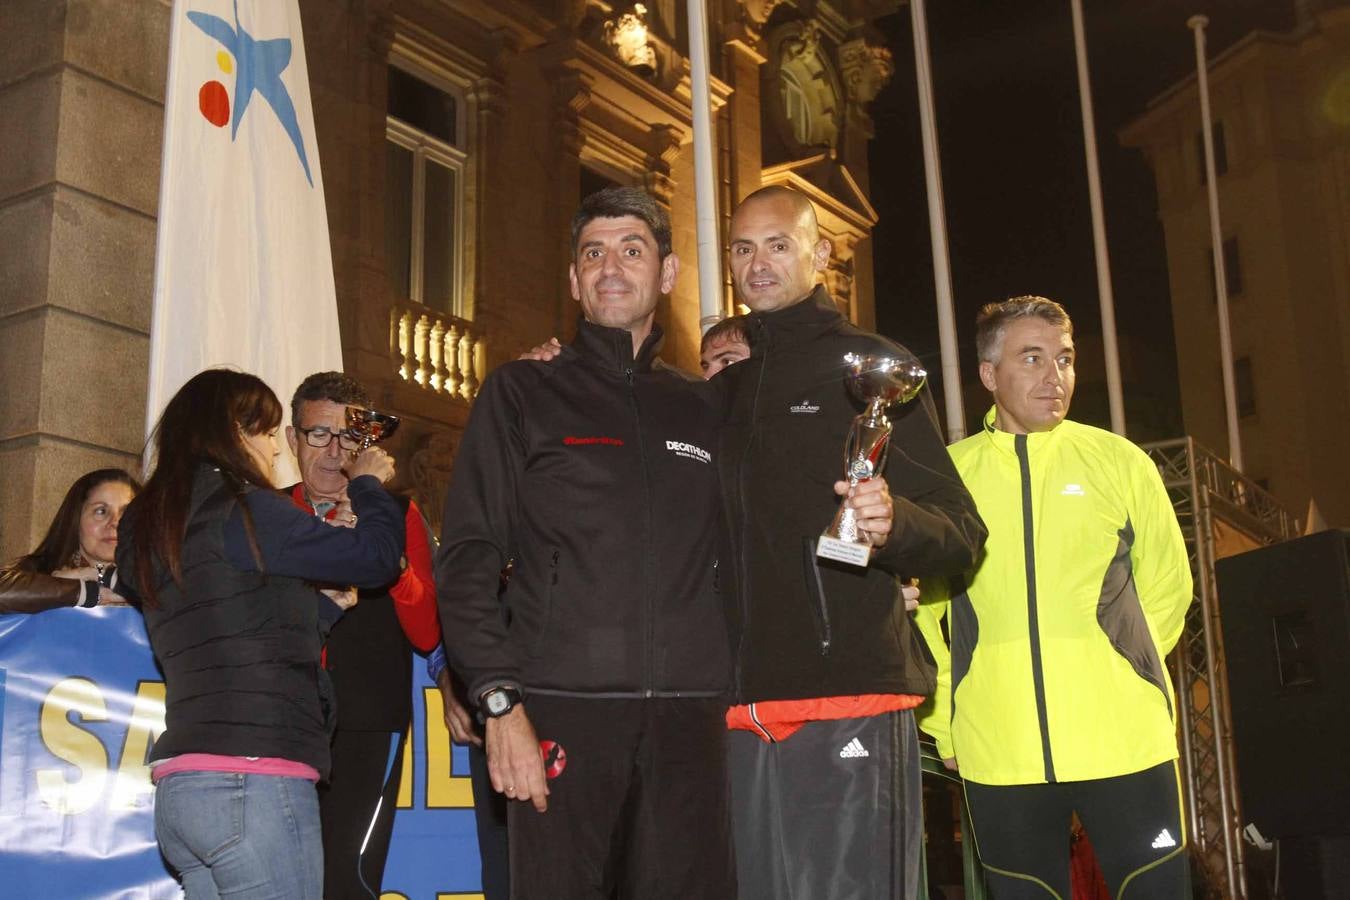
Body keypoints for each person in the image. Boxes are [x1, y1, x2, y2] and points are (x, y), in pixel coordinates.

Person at [435, 187, 740, 899]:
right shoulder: (520, 392)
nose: (611, 267)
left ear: (666, 273)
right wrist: (499, 702)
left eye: (632, 250)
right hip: (559, 712)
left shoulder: (703, 408)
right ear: (573, 280)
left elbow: (750, 548)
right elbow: (469, 557)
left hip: (692, 722)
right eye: (593, 253)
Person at [716, 185, 986, 900]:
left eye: (777, 244)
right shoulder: (723, 392)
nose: (758, 264)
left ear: (821, 252)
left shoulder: (872, 366)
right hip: (740, 707)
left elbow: (962, 532)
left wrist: (894, 523)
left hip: (850, 692)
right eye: (742, 249)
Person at [914, 297, 1193, 897]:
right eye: (1033, 359)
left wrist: (1124, 669)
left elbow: (1169, 586)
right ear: (989, 375)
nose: (1055, 377)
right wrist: (947, 722)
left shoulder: (1120, 461)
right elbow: (925, 616)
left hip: (1124, 741)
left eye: (1065, 359)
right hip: (998, 746)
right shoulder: (947, 478)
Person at [115, 368, 405, 900]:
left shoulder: (148, 524)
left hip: (183, 786)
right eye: (269, 433)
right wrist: (366, 482)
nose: (275, 451)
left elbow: (225, 620)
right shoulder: (247, 510)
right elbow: (378, 558)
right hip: (255, 779)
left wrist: (320, 609)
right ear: (236, 431)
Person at [285, 371, 440, 900]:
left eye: (350, 437)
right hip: (278, 721)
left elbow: (427, 632)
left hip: (366, 724)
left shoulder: (396, 513)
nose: (335, 452)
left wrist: (383, 555)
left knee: (346, 879)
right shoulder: (266, 511)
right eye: (318, 435)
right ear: (291, 439)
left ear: (368, 442)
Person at [0, 468, 140, 613]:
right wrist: (88, 593)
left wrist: (100, 576)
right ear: (75, 520)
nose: (115, 523)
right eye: (101, 511)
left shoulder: (155, 575)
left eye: (127, 513)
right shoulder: (43, 569)